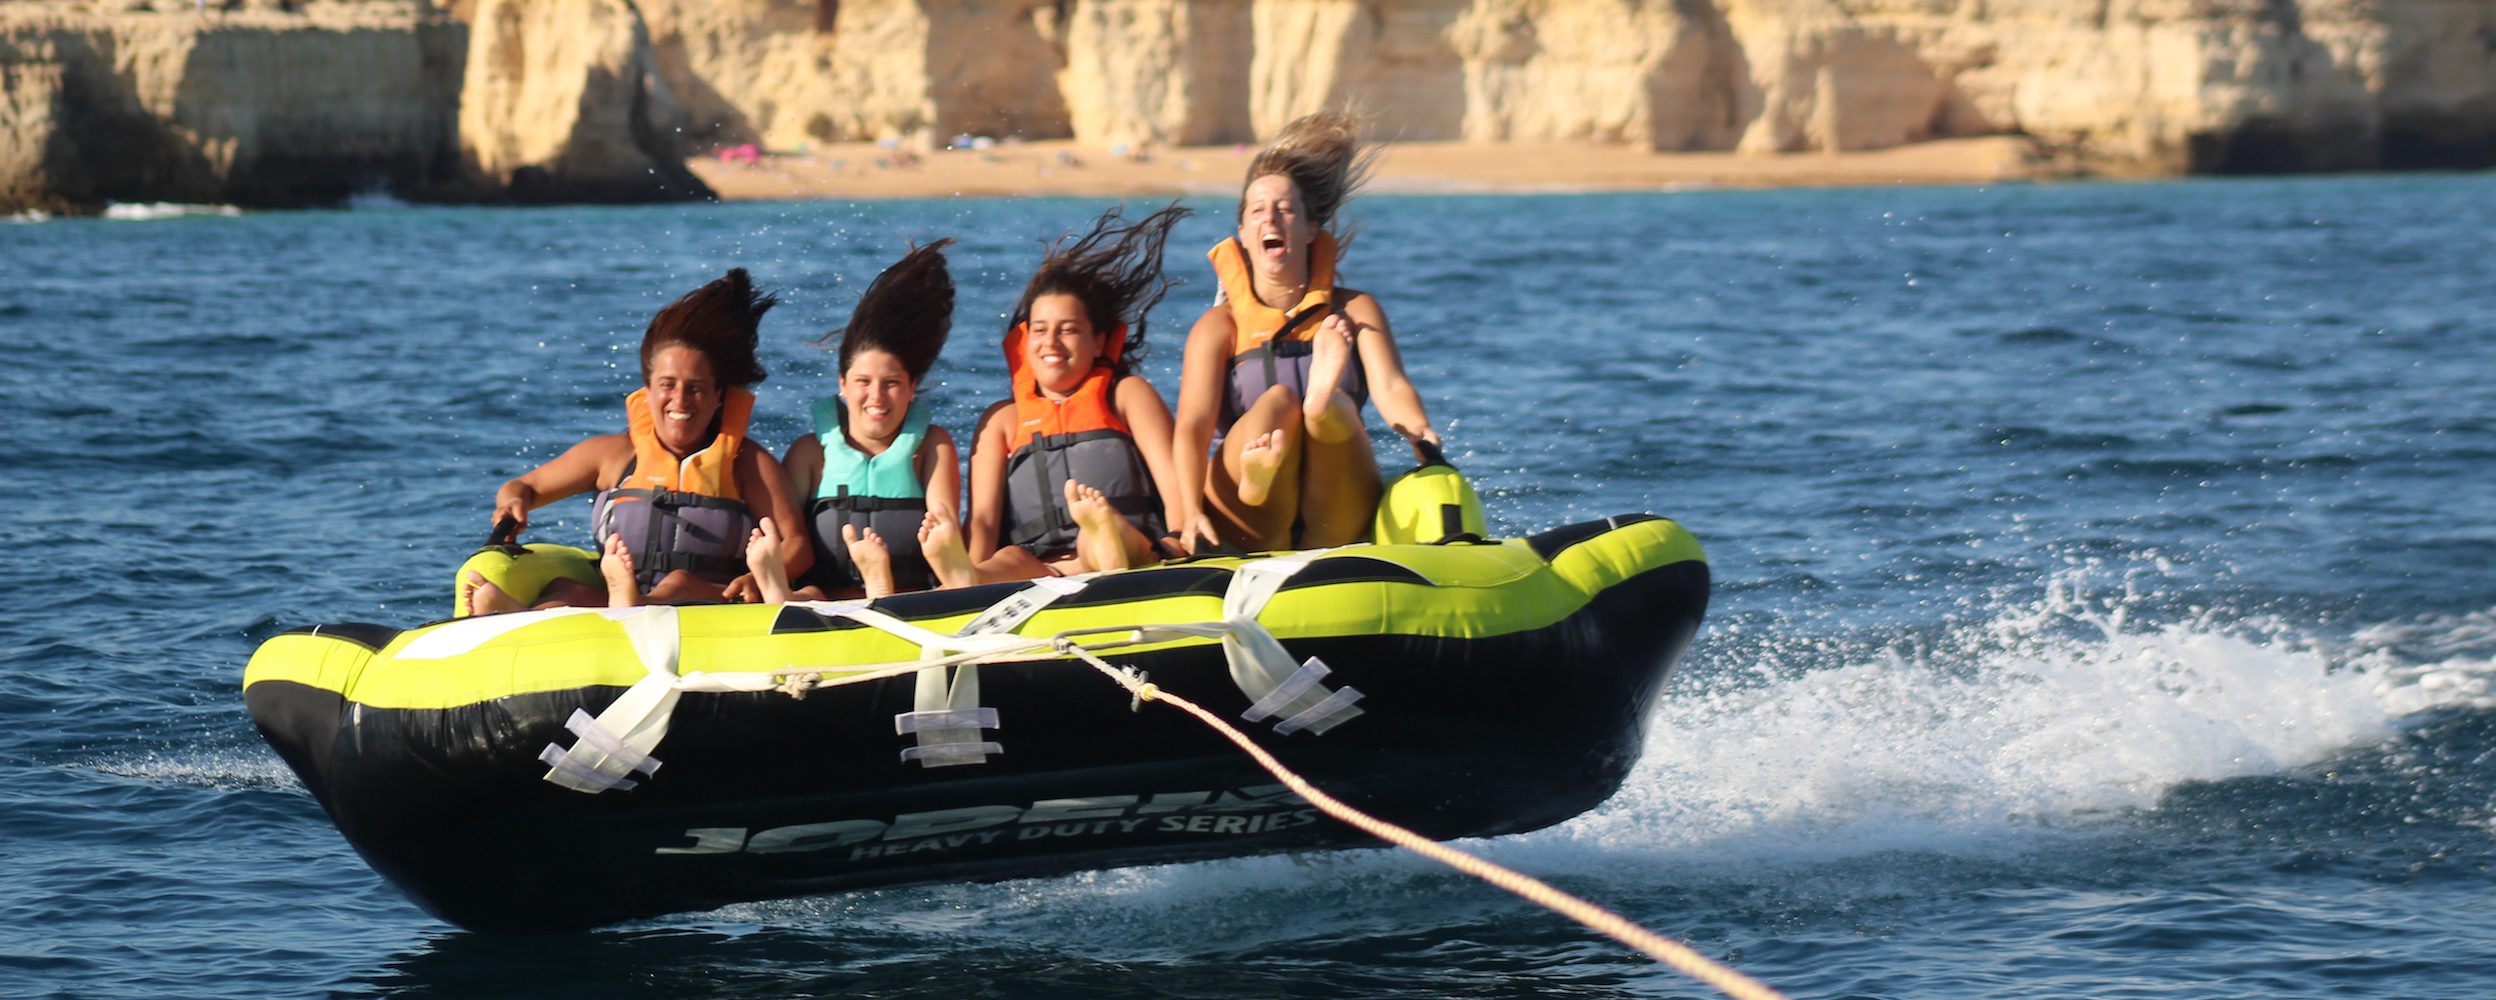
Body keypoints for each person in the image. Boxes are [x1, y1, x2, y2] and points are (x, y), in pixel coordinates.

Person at [1170, 109, 1441, 553]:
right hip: (1243, 506)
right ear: (1242, 232)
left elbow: (1391, 386)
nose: (1270, 219)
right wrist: (1188, 512)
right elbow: (1192, 428)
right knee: (1278, 401)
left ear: (1311, 228)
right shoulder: (1218, 327)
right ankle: (1262, 474)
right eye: (1258, 210)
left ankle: (1320, 400)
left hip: (1330, 509)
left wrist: (1420, 435)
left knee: (1329, 409)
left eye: (1285, 209)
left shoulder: (1353, 309)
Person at [468, 268, 809, 613]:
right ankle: (528, 618)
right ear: (647, 392)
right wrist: (512, 502)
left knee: (680, 582)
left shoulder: (748, 463)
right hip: (620, 590)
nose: (680, 400)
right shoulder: (612, 455)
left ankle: (625, 603)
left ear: (719, 396)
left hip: (712, 601)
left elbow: (796, 543)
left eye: (696, 388)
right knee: (566, 589)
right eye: (667, 385)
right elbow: (521, 486)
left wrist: (756, 577)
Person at [940, 203, 1192, 581]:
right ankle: (966, 578)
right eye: (1039, 330)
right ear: (1025, 343)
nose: (1051, 342)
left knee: (1099, 537)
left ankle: (1105, 537)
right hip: (1043, 569)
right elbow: (982, 523)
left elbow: (1176, 492)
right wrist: (971, 575)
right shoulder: (1003, 422)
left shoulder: (1126, 396)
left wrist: (1178, 545)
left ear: (1097, 342)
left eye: (1068, 329)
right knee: (1008, 558)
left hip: (1137, 549)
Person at [746, 241, 974, 604]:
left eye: (892, 384)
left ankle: (880, 590)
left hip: (911, 599)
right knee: (807, 594)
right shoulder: (810, 454)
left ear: (912, 388)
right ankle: (779, 593)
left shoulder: (932, 446)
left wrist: (949, 550)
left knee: (954, 581)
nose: (877, 397)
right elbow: (790, 539)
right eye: (863, 383)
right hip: (825, 601)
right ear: (842, 385)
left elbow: (944, 525)